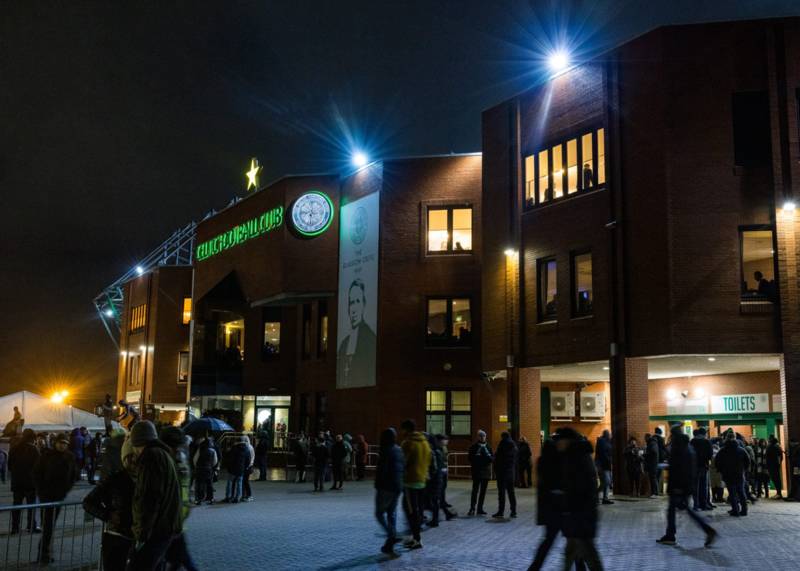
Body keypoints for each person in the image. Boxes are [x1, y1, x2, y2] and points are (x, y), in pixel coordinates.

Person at [127, 420, 183, 570]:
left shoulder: (151, 457)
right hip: (164, 526)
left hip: (156, 530)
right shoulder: (163, 454)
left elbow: (149, 497)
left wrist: (142, 533)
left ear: (137, 442)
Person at [82, 429, 134, 571]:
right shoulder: (117, 478)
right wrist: (108, 515)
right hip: (117, 535)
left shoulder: (147, 479)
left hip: (137, 538)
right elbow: (88, 502)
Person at [657, 425, 716, 547]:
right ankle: (671, 534)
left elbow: (680, 469)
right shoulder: (687, 447)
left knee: (679, 510)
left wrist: (678, 486)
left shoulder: (679, 449)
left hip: (679, 486)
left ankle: (706, 530)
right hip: (684, 485)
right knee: (679, 510)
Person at [559, 428, 604, 571]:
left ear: (568, 440)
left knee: (587, 553)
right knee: (575, 553)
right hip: (578, 515)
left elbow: (580, 488)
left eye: (560, 440)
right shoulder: (576, 456)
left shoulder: (577, 458)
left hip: (581, 515)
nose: (558, 443)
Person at [160, 427, 199, 571]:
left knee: (181, 559)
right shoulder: (179, 458)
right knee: (177, 559)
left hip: (172, 520)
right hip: (175, 519)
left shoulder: (174, 460)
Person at [35, 434, 77, 564]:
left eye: (64, 443)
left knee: (49, 526)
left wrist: (66, 489)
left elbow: (74, 475)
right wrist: (41, 491)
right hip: (46, 496)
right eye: (60, 443)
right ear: (55, 443)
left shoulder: (70, 457)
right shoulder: (46, 456)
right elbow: (37, 474)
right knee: (47, 525)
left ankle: (45, 553)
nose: (62, 445)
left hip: (59, 496)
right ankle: (44, 554)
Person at [529, 438, 564, 571]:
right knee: (574, 541)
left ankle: (534, 567)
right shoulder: (557, 462)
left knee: (548, 541)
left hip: (547, 510)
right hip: (559, 509)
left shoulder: (541, 461)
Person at [336, 279, 378, 387]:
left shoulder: (370, 339)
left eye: (357, 302)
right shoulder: (343, 344)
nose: (353, 309)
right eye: (351, 303)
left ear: (363, 304)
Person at [400, 419, 430, 550]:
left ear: (406, 429)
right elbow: (429, 459)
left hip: (411, 481)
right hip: (422, 481)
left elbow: (403, 462)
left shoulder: (408, 443)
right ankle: (415, 537)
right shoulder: (424, 442)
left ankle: (417, 539)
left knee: (411, 511)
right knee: (416, 509)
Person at [375, 428, 404, 555]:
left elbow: (382, 470)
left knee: (379, 513)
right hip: (397, 486)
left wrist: (378, 484)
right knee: (391, 513)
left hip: (386, 486)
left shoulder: (385, 451)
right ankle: (389, 545)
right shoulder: (399, 450)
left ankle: (391, 534)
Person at [9, 428, 40, 534]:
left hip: (17, 483)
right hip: (30, 484)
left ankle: (15, 528)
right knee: (31, 507)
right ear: (32, 438)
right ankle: (31, 526)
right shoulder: (34, 449)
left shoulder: (14, 449)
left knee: (17, 506)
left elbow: (9, 466)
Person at [714, 432, 750, 516]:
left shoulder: (723, 450)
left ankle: (735, 510)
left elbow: (717, 462)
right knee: (741, 492)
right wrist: (744, 469)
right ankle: (744, 510)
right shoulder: (741, 450)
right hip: (739, 474)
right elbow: (748, 461)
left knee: (732, 493)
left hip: (728, 475)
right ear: (735, 438)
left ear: (726, 438)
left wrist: (721, 470)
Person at [467, 429, 493, 516]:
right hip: (477, 472)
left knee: (482, 492)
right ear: (478, 437)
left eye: (484, 436)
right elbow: (470, 458)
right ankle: (472, 508)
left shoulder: (488, 447)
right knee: (475, 491)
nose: (482, 438)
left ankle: (479, 508)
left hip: (484, 472)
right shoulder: (474, 447)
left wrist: (484, 458)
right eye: (481, 436)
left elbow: (491, 459)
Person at [493, 431, 518, 518]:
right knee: (511, 492)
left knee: (501, 493)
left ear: (503, 437)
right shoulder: (513, 445)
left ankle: (501, 511)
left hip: (502, 473)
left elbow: (497, 457)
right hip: (511, 473)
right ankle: (513, 511)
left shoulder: (503, 444)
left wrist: (496, 469)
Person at [190, 434, 217, 505]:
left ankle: (198, 499)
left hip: (199, 469)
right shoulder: (213, 450)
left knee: (199, 484)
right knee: (209, 485)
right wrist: (211, 466)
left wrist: (197, 466)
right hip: (208, 469)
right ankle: (210, 499)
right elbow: (215, 461)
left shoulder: (200, 450)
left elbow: (195, 459)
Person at [690, 428, 713, 510]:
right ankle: (704, 504)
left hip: (694, 467)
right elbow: (710, 454)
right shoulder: (707, 441)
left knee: (695, 487)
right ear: (704, 433)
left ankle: (696, 505)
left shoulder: (692, 441)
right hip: (704, 466)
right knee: (704, 487)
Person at [222, 436, 249, 503]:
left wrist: (229, 467)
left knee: (230, 483)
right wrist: (245, 467)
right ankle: (237, 498)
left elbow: (230, 459)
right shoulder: (246, 449)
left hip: (232, 469)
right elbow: (248, 460)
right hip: (241, 469)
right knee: (239, 483)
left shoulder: (234, 449)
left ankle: (228, 497)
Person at [595, 430, 613, 504]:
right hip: (602, 465)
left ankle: (605, 498)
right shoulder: (602, 442)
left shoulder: (607, 442)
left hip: (606, 465)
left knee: (606, 482)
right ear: (606, 434)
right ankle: (596, 496)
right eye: (609, 434)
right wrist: (609, 460)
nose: (610, 435)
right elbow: (603, 454)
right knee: (606, 481)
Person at [436, 434, 454, 509]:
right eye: (445, 439)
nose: (447, 441)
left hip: (444, 470)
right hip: (440, 470)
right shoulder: (437, 448)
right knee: (440, 487)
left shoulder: (444, 448)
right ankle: (440, 502)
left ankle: (443, 502)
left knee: (443, 487)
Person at [765, 435, 784, 499]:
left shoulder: (771, 446)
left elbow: (768, 457)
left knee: (775, 479)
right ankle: (778, 493)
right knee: (776, 479)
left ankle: (779, 493)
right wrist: (779, 464)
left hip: (772, 466)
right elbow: (780, 457)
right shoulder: (777, 446)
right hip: (775, 465)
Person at [653, 427, 668, 494]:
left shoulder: (652, 438)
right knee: (659, 475)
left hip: (654, 460)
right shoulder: (661, 439)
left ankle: (655, 491)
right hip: (660, 460)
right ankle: (659, 490)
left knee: (654, 476)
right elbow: (664, 448)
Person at [241, 435, 255, 501]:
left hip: (247, 467)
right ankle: (245, 495)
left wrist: (247, 466)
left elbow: (250, 458)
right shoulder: (250, 447)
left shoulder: (247, 447)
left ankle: (248, 495)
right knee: (245, 481)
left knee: (245, 481)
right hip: (249, 466)